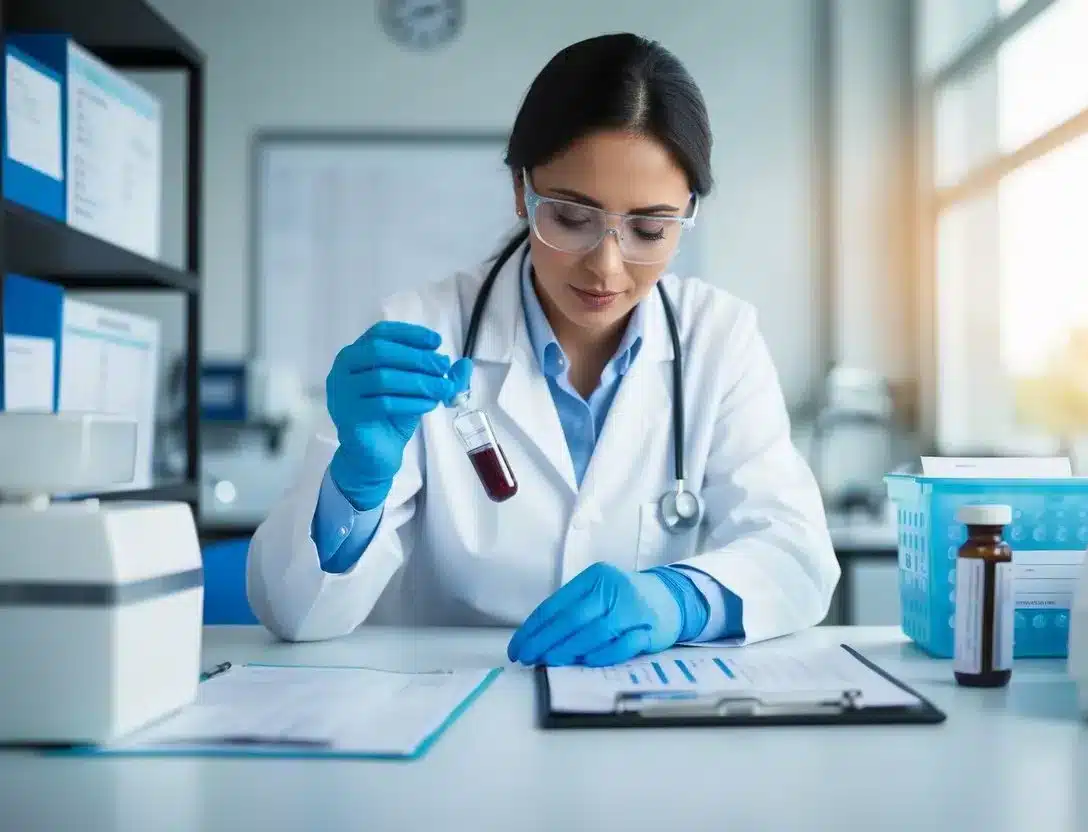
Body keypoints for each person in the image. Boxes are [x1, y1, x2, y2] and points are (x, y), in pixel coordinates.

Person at [246, 32, 840, 667]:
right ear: (520, 192)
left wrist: (676, 601)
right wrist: (356, 487)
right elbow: (294, 612)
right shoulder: (421, 328)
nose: (607, 267)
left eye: (648, 228)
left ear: (687, 211)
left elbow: (796, 554)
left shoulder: (718, 338)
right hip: (454, 723)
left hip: (647, 719)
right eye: (571, 217)